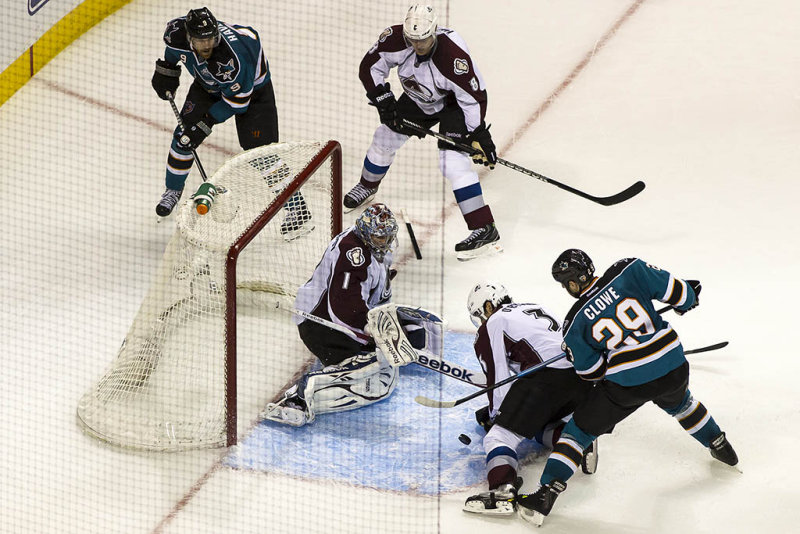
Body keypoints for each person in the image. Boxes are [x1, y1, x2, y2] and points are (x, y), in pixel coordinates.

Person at [516, 249, 739, 527]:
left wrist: (599, 352)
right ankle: (719, 444)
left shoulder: (574, 323)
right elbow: (682, 295)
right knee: (682, 404)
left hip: (628, 383)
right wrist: (689, 297)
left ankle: (545, 494)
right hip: (673, 365)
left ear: (573, 283)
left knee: (580, 431)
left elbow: (592, 372)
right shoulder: (629, 269)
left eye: (567, 283)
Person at [261, 203, 442, 426]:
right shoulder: (352, 254)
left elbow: (375, 294)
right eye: (378, 237)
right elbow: (342, 307)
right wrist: (372, 332)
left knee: (398, 347)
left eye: (386, 237)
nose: (383, 242)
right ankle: (298, 396)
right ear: (365, 233)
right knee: (372, 369)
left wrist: (387, 326)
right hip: (321, 324)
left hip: (341, 318)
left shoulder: (376, 249)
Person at [345, 4, 502, 261]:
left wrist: (477, 135)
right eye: (413, 39)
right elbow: (370, 67)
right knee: (384, 137)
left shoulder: (453, 59)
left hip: (454, 106)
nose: (418, 45)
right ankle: (367, 186)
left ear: (435, 31)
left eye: (424, 39)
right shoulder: (395, 39)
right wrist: (384, 99)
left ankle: (483, 228)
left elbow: (472, 98)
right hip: (419, 98)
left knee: (452, 163)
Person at [150, 7, 310, 237]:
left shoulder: (232, 60)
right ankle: (172, 191)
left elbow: (236, 103)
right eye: (200, 41)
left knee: (260, 154)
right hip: (207, 86)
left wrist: (203, 125)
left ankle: (297, 207)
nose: (206, 46)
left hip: (253, 92)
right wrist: (167, 71)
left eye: (211, 40)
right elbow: (173, 54)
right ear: (188, 37)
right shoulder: (176, 34)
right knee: (183, 137)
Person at [462, 281, 596, 517]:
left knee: (499, 436)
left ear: (487, 305)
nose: (481, 321)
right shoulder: (532, 307)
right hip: (582, 377)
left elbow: (497, 376)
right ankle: (577, 443)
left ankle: (503, 490)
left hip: (546, 379)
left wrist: (497, 417)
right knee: (537, 420)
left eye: (480, 314)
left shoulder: (493, 322)